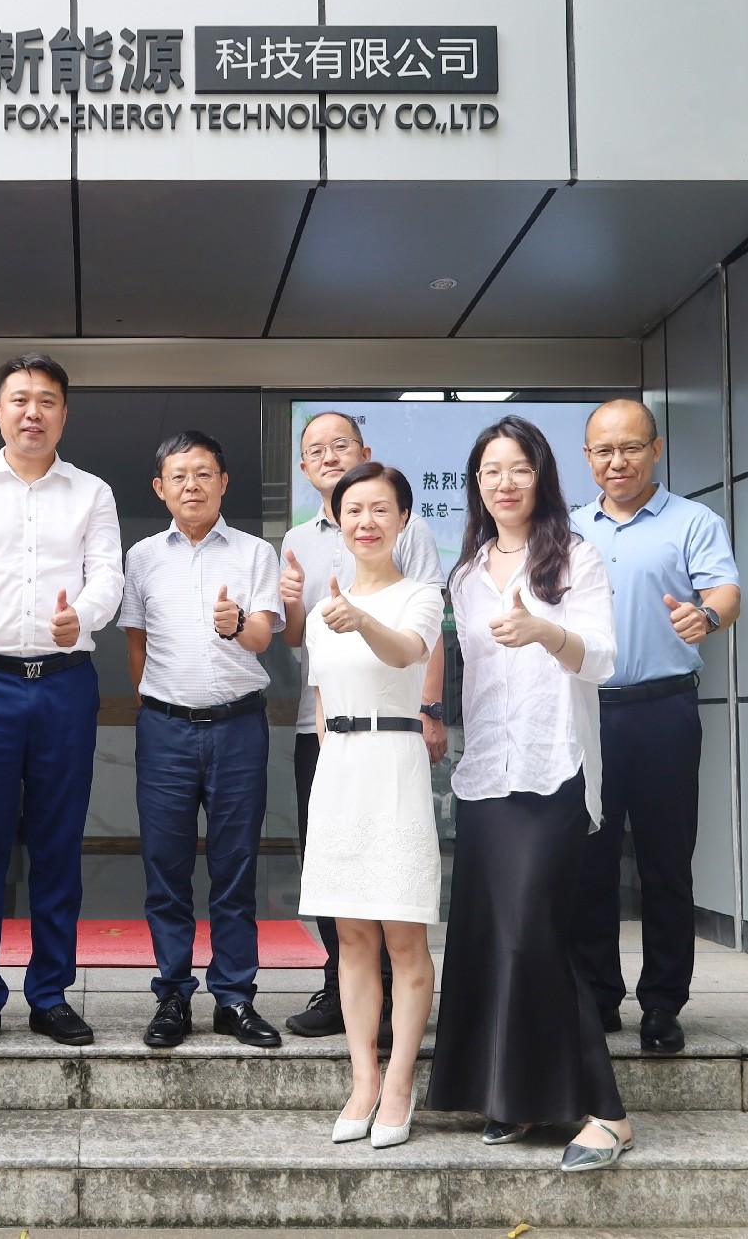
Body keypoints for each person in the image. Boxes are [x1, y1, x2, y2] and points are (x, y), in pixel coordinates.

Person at [425, 416, 630, 1173]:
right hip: (487, 776)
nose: (504, 482)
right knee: (486, 936)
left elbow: (602, 658)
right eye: (491, 471)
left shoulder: (575, 555)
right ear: (476, 485)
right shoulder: (466, 571)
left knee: (532, 933)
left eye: (518, 468)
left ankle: (608, 1112)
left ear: (541, 476)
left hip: (554, 768)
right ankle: (510, 1096)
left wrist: (543, 629)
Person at [0, 354, 123, 1050]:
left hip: (65, 683)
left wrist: (82, 617)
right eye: (19, 399)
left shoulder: (91, 492)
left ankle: (50, 992)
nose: (33, 412)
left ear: (64, 413)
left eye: (47, 400)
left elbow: (108, 577)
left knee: (59, 842)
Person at [571, 399, 741, 1053]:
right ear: (587, 457)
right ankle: (596, 995)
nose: (617, 461)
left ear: (656, 449)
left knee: (666, 863)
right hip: (587, 711)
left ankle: (664, 1003)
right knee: (588, 863)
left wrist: (706, 615)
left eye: (630, 448)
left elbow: (725, 591)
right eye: (604, 450)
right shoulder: (568, 528)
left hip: (663, 712)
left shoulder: (693, 521)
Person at [278, 411, 446, 1041]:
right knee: (341, 891)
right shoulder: (299, 540)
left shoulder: (410, 543)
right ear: (304, 467)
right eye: (315, 449)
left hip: (395, 729)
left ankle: (396, 1007)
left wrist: (429, 710)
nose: (366, 521)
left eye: (340, 444)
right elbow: (307, 653)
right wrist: (294, 604)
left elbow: (419, 641)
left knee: (396, 897)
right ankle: (344, 997)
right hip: (333, 743)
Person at [119, 431, 285, 1050]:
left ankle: (235, 997)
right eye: (179, 475)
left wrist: (236, 623)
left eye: (204, 473)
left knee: (234, 866)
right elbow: (135, 639)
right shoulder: (141, 557)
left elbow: (264, 635)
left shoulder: (254, 553)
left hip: (239, 728)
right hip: (165, 730)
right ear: (160, 488)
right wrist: (155, 701)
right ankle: (172, 995)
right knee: (165, 866)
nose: (192, 485)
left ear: (223, 482)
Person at [297, 462, 443, 1149]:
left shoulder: (421, 595)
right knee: (352, 938)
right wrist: (329, 766)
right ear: (338, 518)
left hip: (396, 766)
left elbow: (407, 652)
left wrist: (360, 620)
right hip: (341, 772)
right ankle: (363, 1078)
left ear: (403, 518)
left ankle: (401, 1081)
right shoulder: (321, 611)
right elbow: (322, 703)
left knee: (404, 939)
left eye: (381, 509)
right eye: (353, 509)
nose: (366, 522)